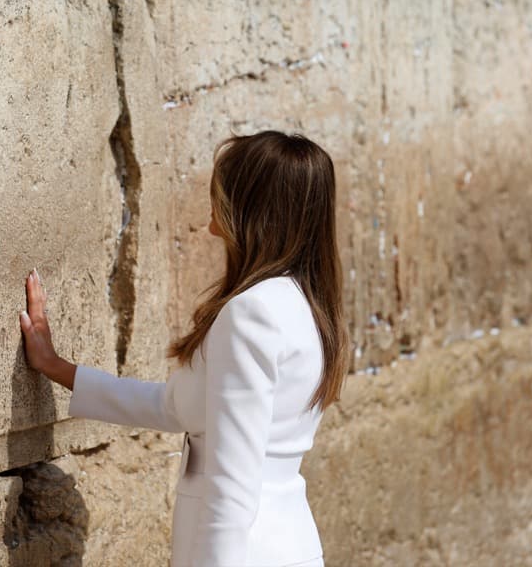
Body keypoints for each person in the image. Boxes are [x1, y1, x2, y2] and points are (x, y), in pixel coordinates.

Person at [18, 130, 349, 566]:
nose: (211, 205)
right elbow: (178, 407)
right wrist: (56, 367)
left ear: (249, 208)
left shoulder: (251, 313)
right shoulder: (304, 305)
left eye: (221, 192)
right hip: (286, 544)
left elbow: (232, 483)